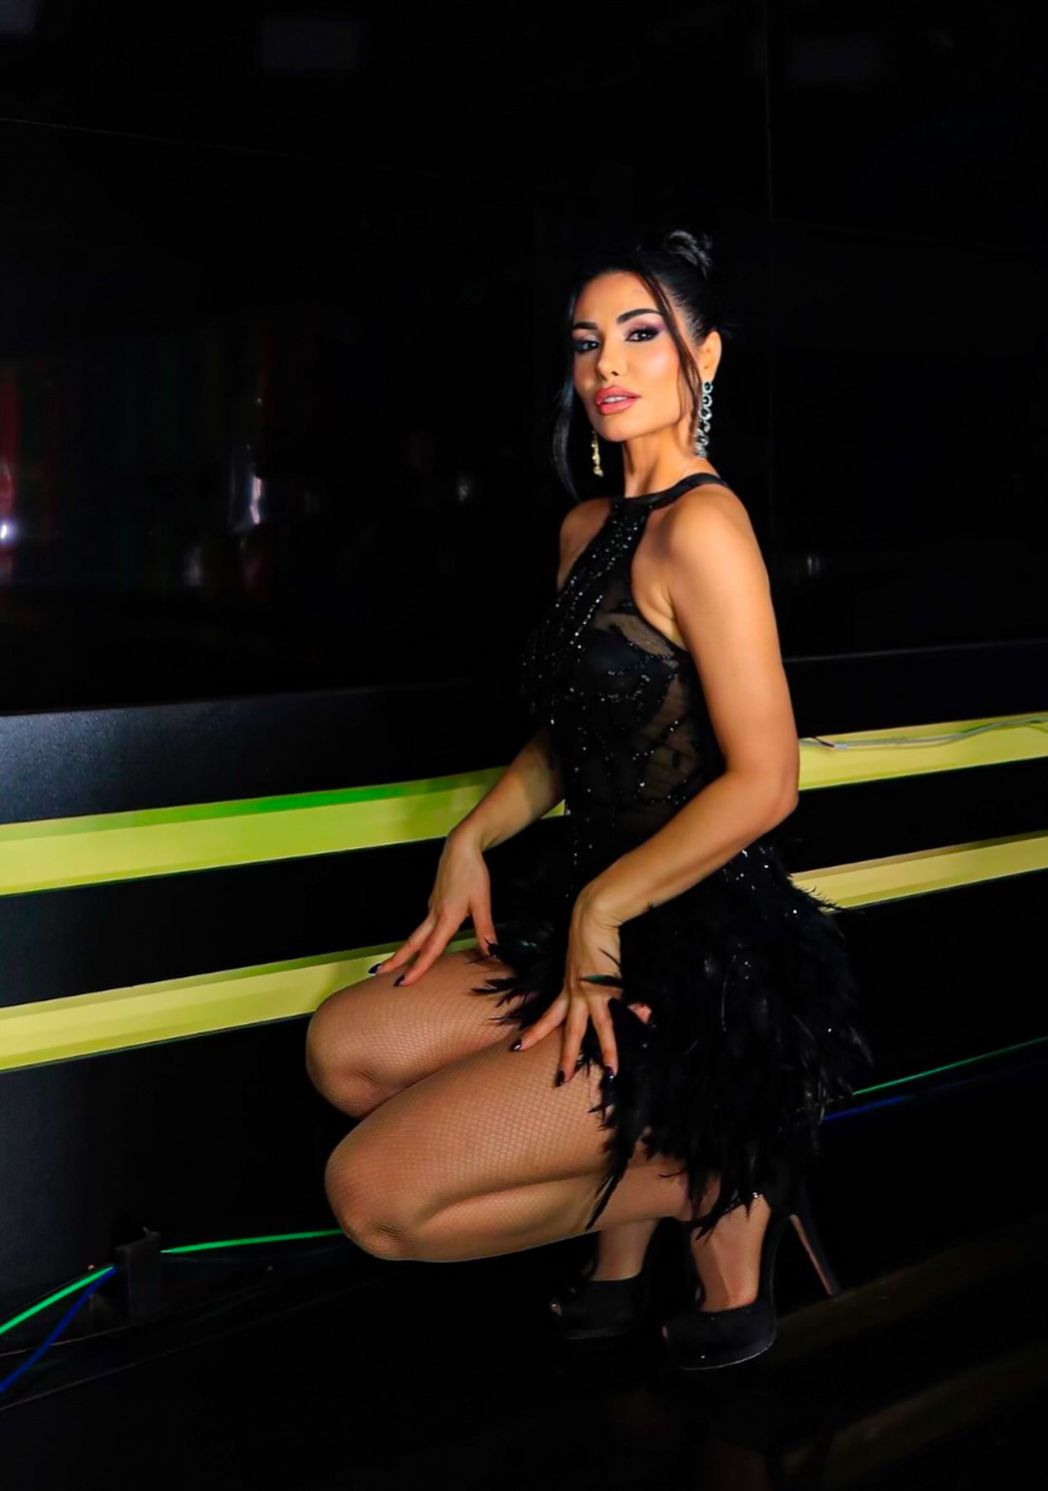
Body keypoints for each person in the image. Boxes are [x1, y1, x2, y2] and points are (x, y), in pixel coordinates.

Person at [305, 227, 874, 1370]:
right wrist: (475, 836)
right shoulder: (586, 528)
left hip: (699, 940)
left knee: (372, 1197)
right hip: (590, 908)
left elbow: (768, 780)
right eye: (585, 342)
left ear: (704, 357)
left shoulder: (706, 528)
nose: (606, 364)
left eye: (640, 334)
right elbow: (581, 731)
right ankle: (666, 1183)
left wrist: (605, 912)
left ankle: (718, 1173)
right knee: (346, 1049)